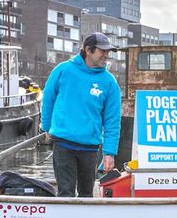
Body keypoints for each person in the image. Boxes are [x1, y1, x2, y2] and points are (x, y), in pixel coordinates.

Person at [41, 32, 121, 197]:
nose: (106, 55)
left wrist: (109, 152)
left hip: (90, 148)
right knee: (65, 193)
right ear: (88, 50)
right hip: (63, 144)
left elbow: (112, 120)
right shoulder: (63, 70)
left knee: (86, 195)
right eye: (102, 51)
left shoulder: (109, 82)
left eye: (108, 52)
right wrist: (47, 127)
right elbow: (48, 100)